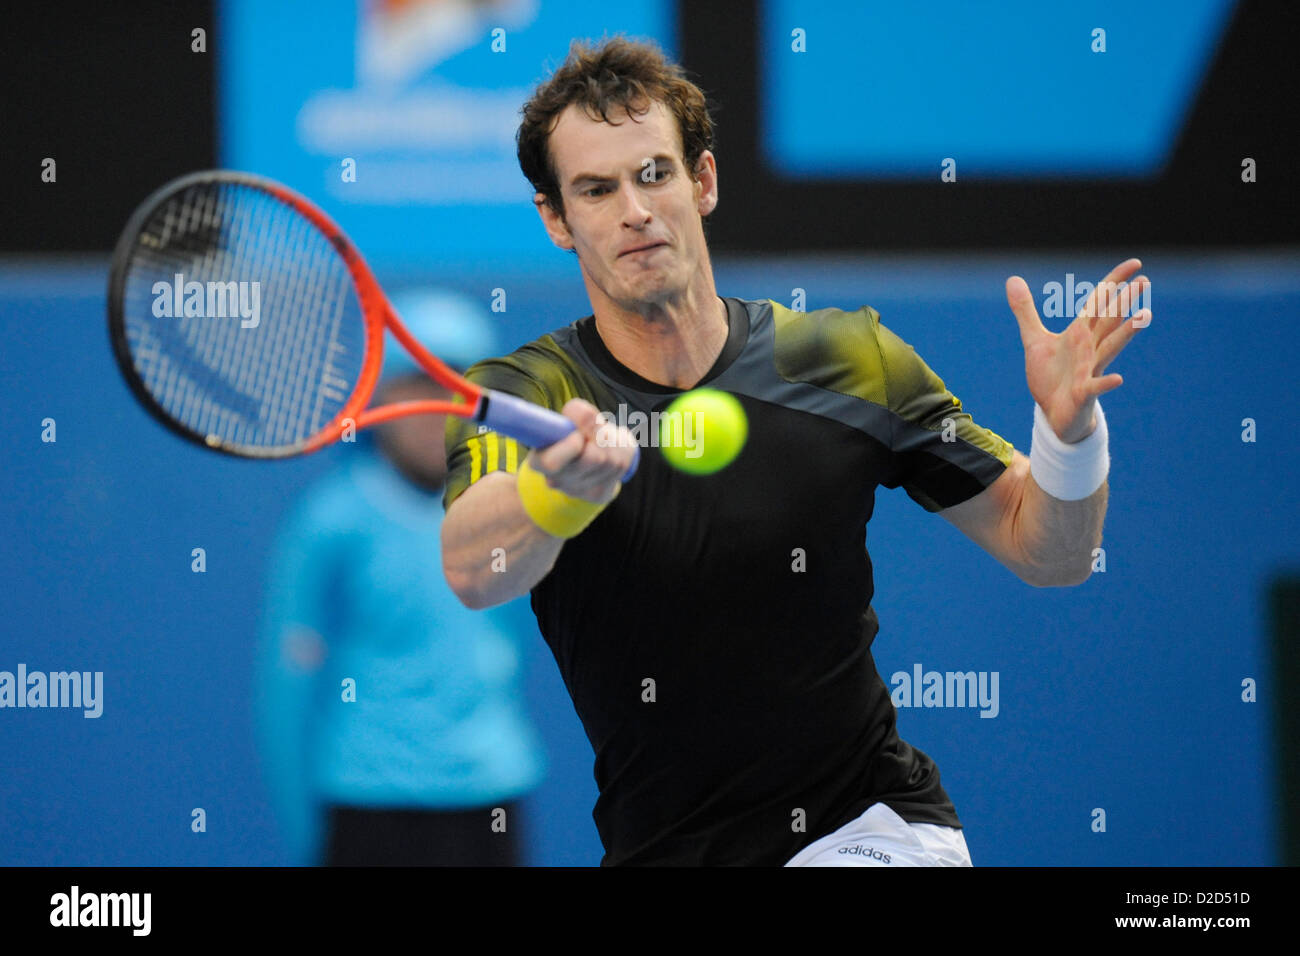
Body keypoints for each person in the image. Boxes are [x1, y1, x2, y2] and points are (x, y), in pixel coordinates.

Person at [440, 36, 1150, 866]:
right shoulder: (527, 394)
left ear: (702, 182)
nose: (633, 209)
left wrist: (1068, 436)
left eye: (655, 173)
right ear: (556, 219)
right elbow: (471, 568)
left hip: (870, 828)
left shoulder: (849, 358)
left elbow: (1051, 553)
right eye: (596, 189)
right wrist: (553, 494)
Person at [255, 289, 545, 866]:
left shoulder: (520, 506)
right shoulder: (330, 521)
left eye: (455, 383)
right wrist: (304, 830)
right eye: (417, 383)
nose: (436, 406)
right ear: (381, 395)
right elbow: (284, 685)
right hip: (368, 806)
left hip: (490, 800)